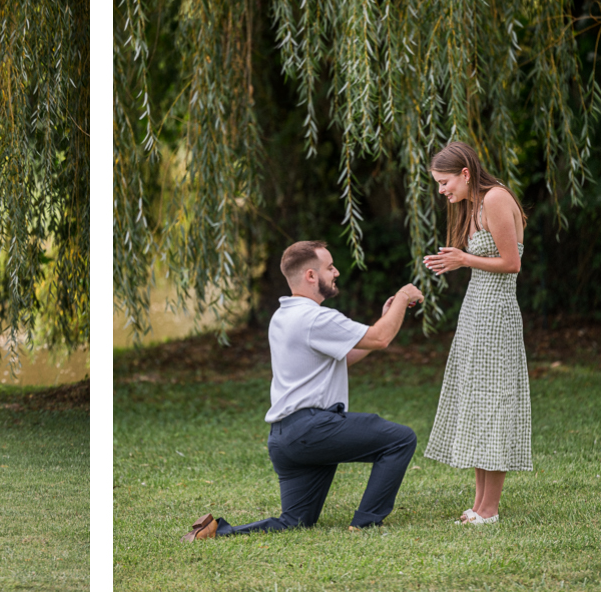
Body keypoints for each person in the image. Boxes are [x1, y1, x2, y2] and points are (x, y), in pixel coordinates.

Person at [181, 241, 424, 542]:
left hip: (285, 439)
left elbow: (345, 356)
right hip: (312, 430)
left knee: (295, 522)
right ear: (311, 275)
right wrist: (403, 297)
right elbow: (381, 339)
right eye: (330, 267)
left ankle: (217, 532)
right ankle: (366, 524)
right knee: (400, 439)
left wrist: (384, 318)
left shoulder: (283, 316)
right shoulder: (315, 318)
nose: (336, 272)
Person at [422, 141, 531, 525]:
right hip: (475, 313)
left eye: (444, 181)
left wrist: (463, 258)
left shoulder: (496, 198)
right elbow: (487, 262)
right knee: (479, 403)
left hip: (497, 316)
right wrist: (455, 263)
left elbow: (512, 263)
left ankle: (491, 510)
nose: (441, 190)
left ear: (465, 173)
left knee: (495, 405)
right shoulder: (475, 205)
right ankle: (479, 504)